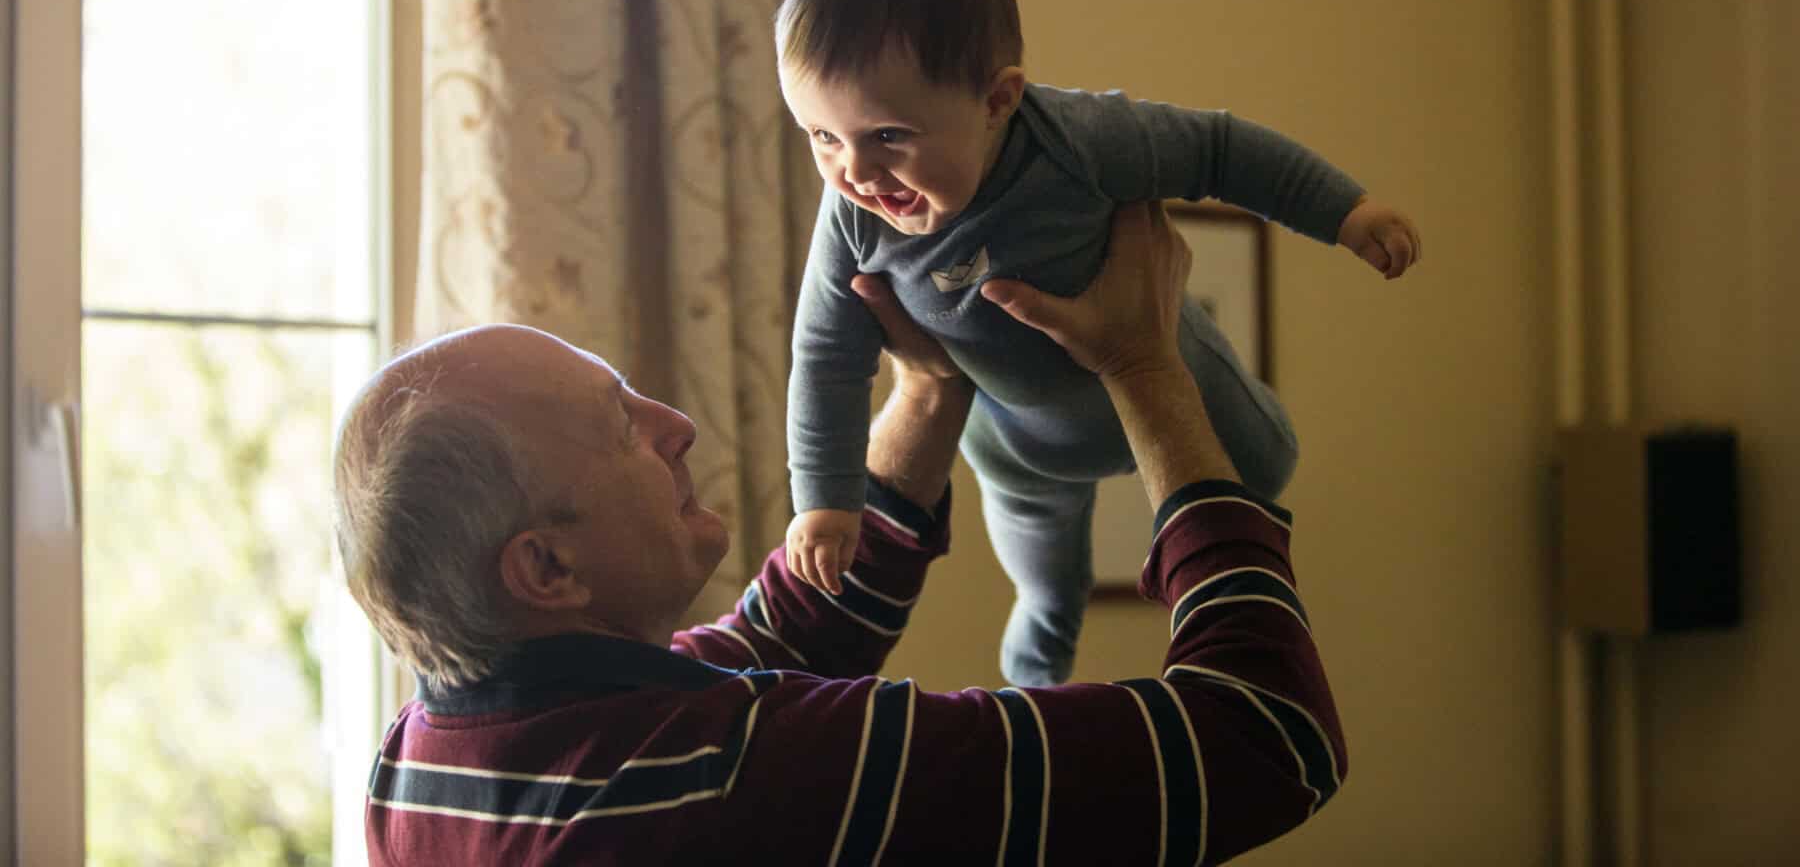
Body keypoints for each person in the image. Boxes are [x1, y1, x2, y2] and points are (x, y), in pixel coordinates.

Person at [334, 201, 1346, 865]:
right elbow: (1265, 736)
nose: (675, 427)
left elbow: (779, 637)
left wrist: (929, 388)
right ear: (547, 567)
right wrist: (1144, 367)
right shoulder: (739, 778)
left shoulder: (422, 763)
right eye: (622, 427)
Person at [779, 0, 1422, 685]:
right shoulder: (851, 217)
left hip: (1168, 368)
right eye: (821, 136)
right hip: (1019, 445)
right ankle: (1036, 685)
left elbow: (1220, 151)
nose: (855, 172)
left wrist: (1346, 212)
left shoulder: (1080, 142)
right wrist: (825, 499)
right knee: (1048, 585)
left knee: (1267, 467)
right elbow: (825, 357)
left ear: (996, 101)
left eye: (888, 136)